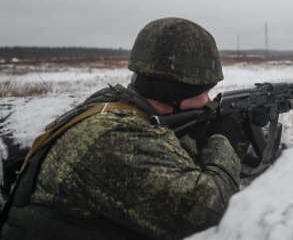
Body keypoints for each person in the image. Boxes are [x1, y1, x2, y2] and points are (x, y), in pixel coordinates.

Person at [0, 18, 242, 240]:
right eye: (203, 92)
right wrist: (223, 140)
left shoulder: (118, 109)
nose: (207, 101)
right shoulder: (115, 138)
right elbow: (213, 213)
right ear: (174, 93)